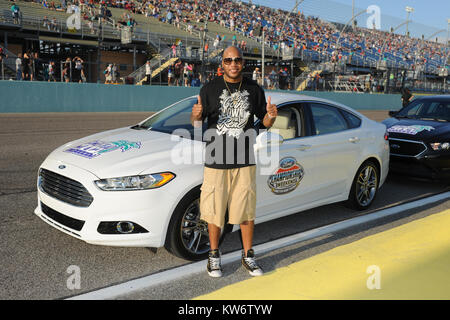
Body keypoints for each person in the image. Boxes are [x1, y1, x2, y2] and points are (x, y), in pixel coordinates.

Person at [190, 46, 278, 278]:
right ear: (222, 63)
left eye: (237, 60)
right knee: (213, 212)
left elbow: (265, 123)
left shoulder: (253, 89)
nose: (233, 64)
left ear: (242, 63)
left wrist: (271, 115)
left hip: (244, 161)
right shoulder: (209, 89)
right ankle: (214, 256)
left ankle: (248, 255)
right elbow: (197, 123)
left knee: (246, 212)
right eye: (228, 60)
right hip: (216, 160)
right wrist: (196, 115)